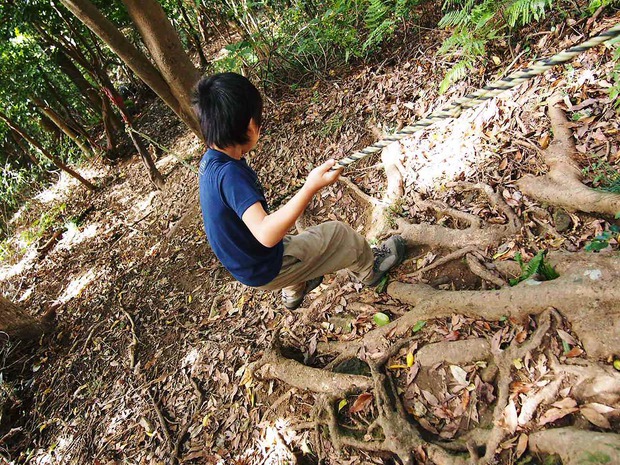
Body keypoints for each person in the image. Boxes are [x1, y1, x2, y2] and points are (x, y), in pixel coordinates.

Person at [194, 72, 406, 309]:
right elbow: (265, 234)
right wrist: (311, 186)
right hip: (265, 266)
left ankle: (294, 287)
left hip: (247, 263)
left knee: (294, 242)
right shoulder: (230, 176)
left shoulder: (210, 163)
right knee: (338, 234)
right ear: (252, 126)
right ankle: (370, 269)